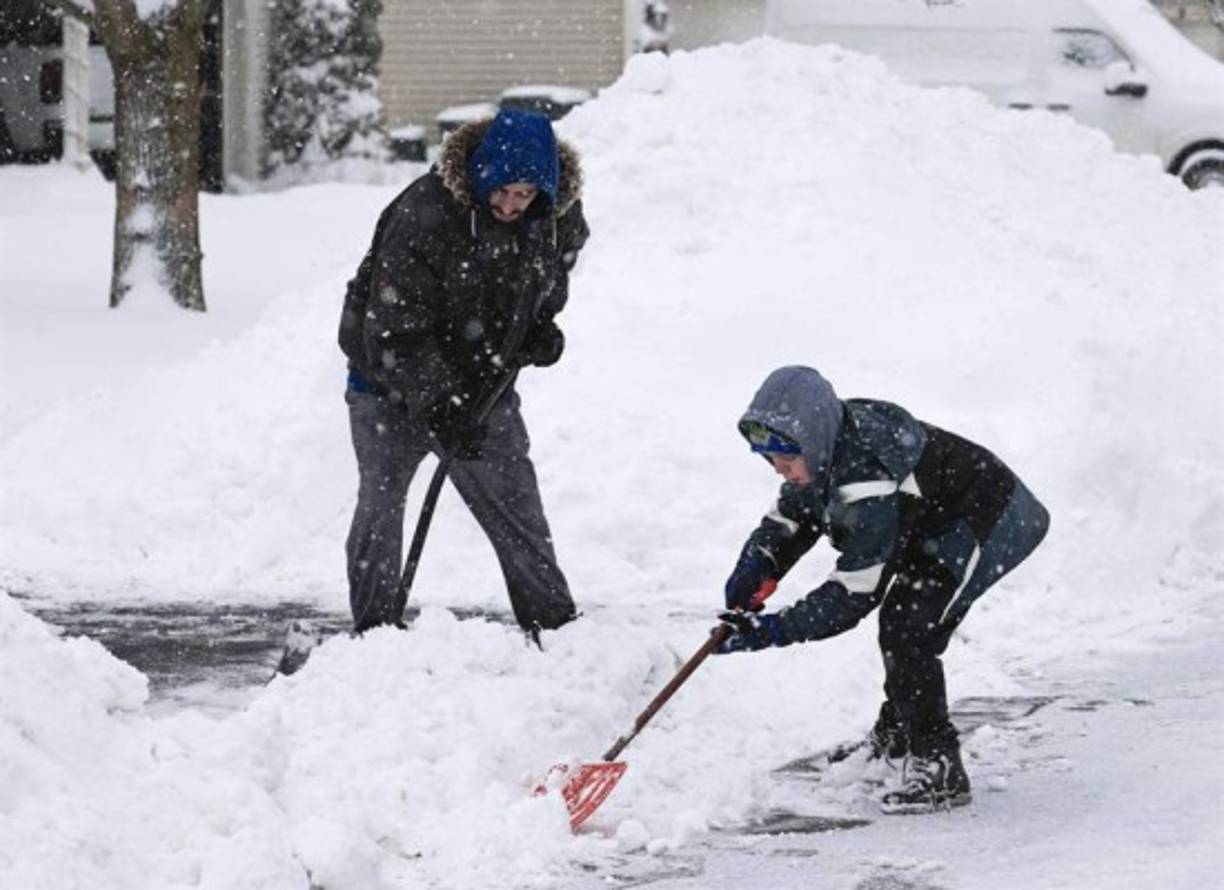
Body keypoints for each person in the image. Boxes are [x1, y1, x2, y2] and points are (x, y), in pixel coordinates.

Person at [715, 365, 1049, 814]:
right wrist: (756, 566)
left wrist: (773, 629)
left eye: (786, 459)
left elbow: (854, 592)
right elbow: (792, 521)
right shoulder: (824, 453)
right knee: (905, 623)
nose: (780, 469)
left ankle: (938, 764)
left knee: (910, 627)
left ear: (812, 441)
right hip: (925, 524)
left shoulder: (866, 476)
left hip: (987, 520)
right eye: (771, 460)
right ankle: (896, 738)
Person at [337, 108, 589, 639]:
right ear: (480, 173)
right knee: (382, 505)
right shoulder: (424, 215)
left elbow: (546, 284)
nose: (509, 205)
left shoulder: (556, 219)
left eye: (524, 195)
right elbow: (393, 328)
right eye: (500, 190)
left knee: (515, 505)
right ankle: (375, 635)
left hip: (484, 383)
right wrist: (437, 402)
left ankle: (559, 634)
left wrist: (540, 328)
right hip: (386, 384)